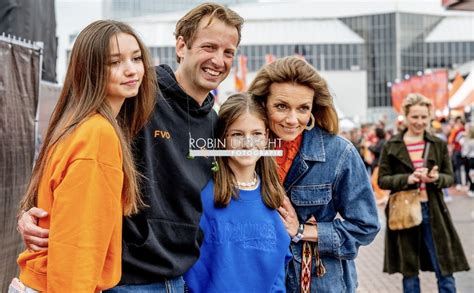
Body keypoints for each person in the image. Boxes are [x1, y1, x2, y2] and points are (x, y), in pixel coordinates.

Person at [17, 3, 244, 292]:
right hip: (125, 281)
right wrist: (29, 212)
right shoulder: (134, 97)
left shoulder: (215, 123)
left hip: (177, 279)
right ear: (182, 45)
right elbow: (66, 159)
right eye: (209, 47)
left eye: (228, 52)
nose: (218, 60)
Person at [11, 20, 156, 292]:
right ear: (89, 69)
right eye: (115, 62)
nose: (131, 70)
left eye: (136, 58)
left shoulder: (79, 125)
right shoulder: (97, 135)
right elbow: (79, 246)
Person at [248, 56, 380, 292]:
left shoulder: (339, 153)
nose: (292, 119)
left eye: (303, 108)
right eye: (281, 106)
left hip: (320, 283)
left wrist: (302, 231)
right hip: (259, 280)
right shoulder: (244, 152)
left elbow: (366, 226)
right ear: (262, 104)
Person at [184, 93, 291, 292]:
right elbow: (192, 269)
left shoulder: (275, 199)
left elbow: (278, 269)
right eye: (237, 134)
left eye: (256, 134)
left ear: (267, 137)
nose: (247, 143)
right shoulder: (205, 197)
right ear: (222, 139)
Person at [378, 93, 469, 293]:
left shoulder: (437, 143)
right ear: (406, 116)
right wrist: (407, 179)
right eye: (415, 117)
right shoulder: (392, 145)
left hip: (433, 210)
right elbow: (382, 180)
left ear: (429, 117)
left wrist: (436, 178)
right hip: (405, 211)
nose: (419, 122)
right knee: (409, 271)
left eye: (423, 117)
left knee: (444, 267)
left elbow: (449, 177)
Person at [462, 124, 474, 198]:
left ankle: (472, 189)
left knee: (470, 174)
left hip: (470, 159)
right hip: (471, 159)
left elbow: (465, 152)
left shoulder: (469, 141)